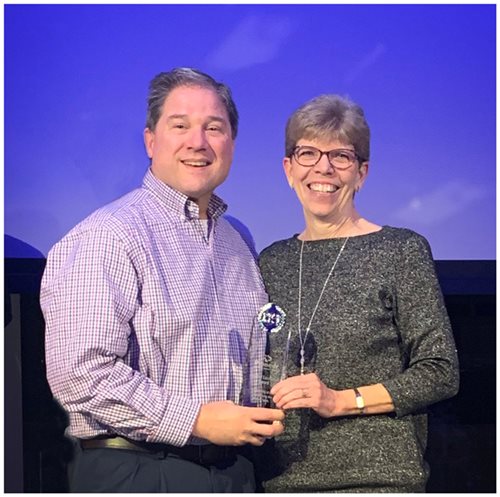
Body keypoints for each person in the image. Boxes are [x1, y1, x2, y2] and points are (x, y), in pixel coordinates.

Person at [40, 67, 284, 493]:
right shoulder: (110, 234)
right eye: (181, 126)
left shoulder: (237, 239)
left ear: (232, 143)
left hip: (235, 472)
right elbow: (81, 374)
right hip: (140, 470)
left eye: (214, 127)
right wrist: (196, 419)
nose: (198, 141)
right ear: (151, 140)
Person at [255, 94, 459, 492]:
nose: (323, 168)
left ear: (362, 173)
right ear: (289, 169)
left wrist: (338, 401)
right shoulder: (271, 261)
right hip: (281, 480)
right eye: (308, 153)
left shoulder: (400, 250)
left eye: (341, 156)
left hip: (376, 480)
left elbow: (440, 370)